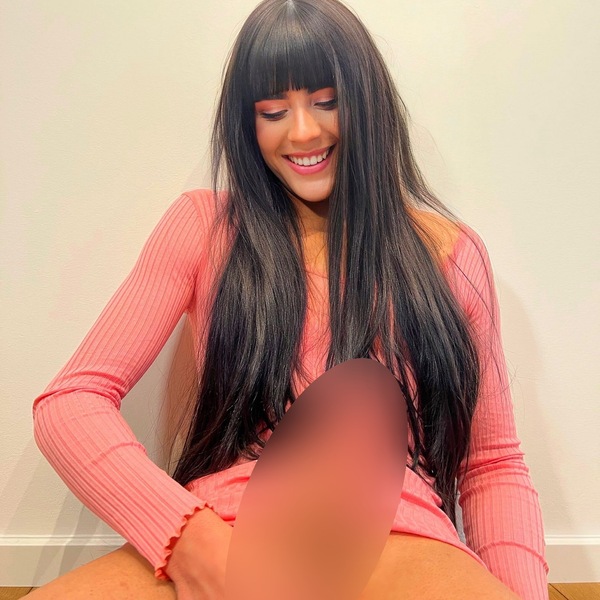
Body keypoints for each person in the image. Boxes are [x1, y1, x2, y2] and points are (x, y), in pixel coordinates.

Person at [29, 0, 549, 598]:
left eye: (326, 102)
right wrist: (187, 538)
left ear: (369, 103)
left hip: (399, 538)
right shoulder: (203, 228)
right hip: (224, 536)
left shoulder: (450, 253)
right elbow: (70, 402)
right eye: (273, 111)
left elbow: (492, 463)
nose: (302, 131)